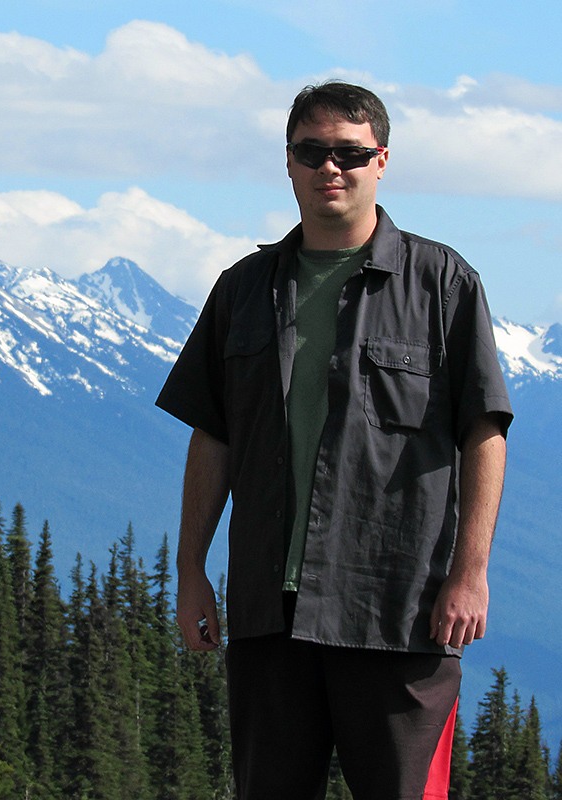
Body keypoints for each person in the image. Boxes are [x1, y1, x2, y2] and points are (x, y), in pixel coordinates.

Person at [156, 81, 512, 800]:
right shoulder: (242, 289)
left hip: (400, 610)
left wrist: (469, 573)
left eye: (349, 153)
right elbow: (213, 436)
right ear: (287, 163)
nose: (331, 168)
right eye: (312, 152)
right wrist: (191, 569)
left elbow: (485, 431)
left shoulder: (442, 283)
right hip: (269, 616)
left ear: (382, 161)